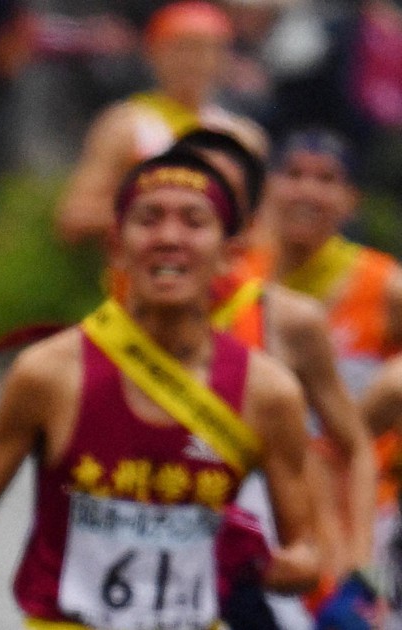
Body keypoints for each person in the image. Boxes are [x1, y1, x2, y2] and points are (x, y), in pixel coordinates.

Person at [0, 150, 319, 629]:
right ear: (117, 246)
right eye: (149, 219)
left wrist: (299, 566)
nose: (169, 238)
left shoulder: (267, 392)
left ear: (230, 253)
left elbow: (304, 544)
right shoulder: (50, 374)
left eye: (194, 221)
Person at [172, 129, 376, 628]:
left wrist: (357, 563)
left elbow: (352, 446)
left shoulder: (297, 315)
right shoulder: (125, 323)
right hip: (169, 557)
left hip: (284, 561)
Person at [241, 126, 402, 626]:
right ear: (267, 189)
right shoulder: (233, 277)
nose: (308, 191)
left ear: (350, 200)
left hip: (364, 516)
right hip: (258, 506)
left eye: (327, 179)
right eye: (293, 175)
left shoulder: (385, 287)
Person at [56, 0, 267, 245]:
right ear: (153, 53)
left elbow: (261, 229)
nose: (193, 61)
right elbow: (73, 218)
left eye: (206, 49)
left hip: (223, 278)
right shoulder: (127, 125)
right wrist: (154, 213)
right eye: (181, 48)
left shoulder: (243, 136)